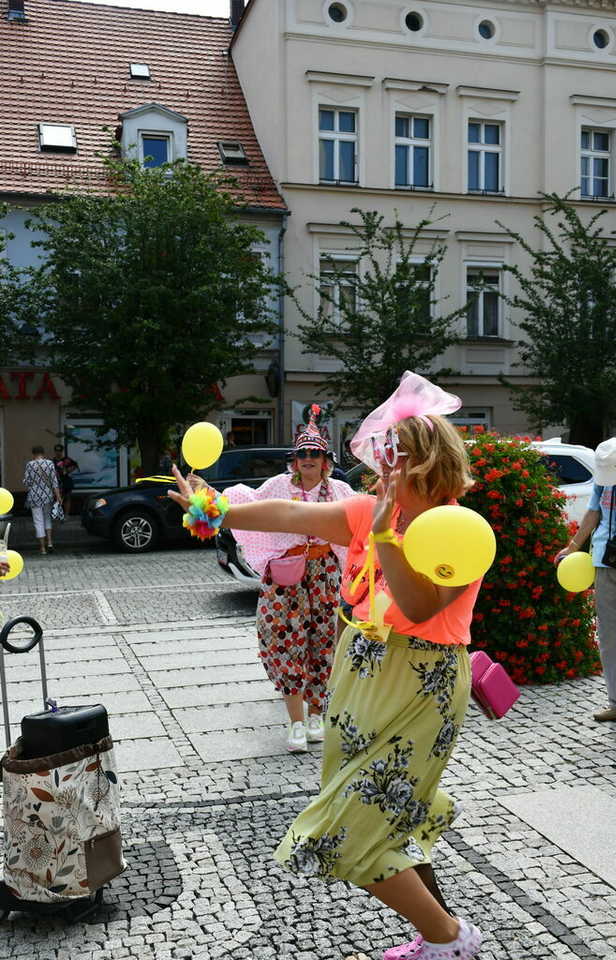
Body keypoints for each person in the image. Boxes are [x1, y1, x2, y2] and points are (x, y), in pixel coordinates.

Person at [170, 373, 483, 960]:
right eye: (382, 459)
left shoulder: (456, 529)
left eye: (395, 460)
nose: (381, 471)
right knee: (385, 819)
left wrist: (388, 537)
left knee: (353, 827)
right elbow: (289, 514)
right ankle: (437, 934)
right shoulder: (366, 512)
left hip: (420, 683)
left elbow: (416, 607)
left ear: (427, 465)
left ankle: (450, 939)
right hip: (359, 672)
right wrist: (215, 509)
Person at [196, 405, 356, 753]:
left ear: (326, 460)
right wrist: (207, 494)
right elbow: (243, 503)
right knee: (285, 644)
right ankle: (296, 724)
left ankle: (317, 717)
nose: (309, 459)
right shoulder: (278, 485)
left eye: (315, 453)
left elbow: (362, 520)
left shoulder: (341, 491)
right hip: (285, 579)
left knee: (324, 646)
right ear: (294, 460)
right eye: (302, 454)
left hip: (325, 577)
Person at [556, 436, 616, 722]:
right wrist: (573, 546)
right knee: (608, 634)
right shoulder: (603, 479)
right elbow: (593, 512)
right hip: (604, 559)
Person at [24, 446, 62, 556]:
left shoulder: (30, 465)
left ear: (33, 453)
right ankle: (50, 543)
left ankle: (42, 548)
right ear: (43, 452)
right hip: (47, 495)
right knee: (47, 519)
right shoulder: (50, 463)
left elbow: (27, 482)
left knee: (38, 521)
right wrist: (58, 496)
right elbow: (54, 482)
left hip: (34, 497)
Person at [53, 443, 79, 515]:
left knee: (67, 498)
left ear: (62, 451)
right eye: (56, 451)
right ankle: (58, 514)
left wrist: (68, 470)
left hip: (66, 481)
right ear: (54, 451)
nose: (58, 452)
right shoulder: (52, 461)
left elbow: (75, 465)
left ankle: (66, 515)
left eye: (60, 451)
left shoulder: (66, 459)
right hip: (56, 482)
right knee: (57, 499)